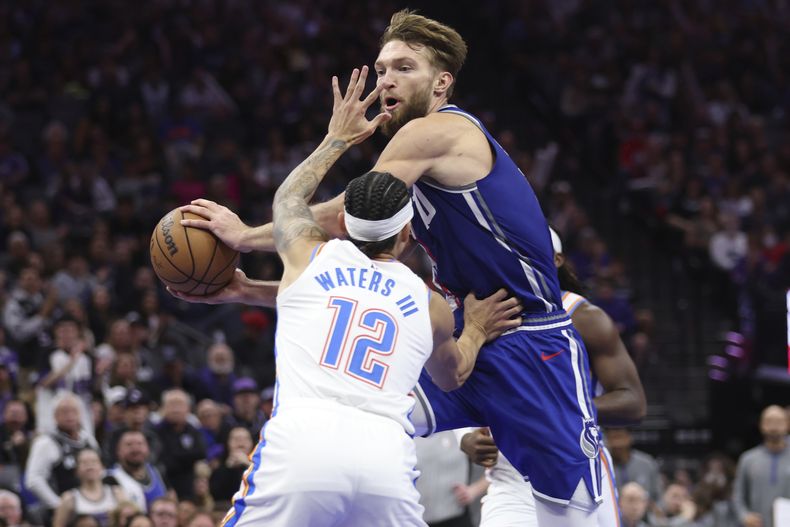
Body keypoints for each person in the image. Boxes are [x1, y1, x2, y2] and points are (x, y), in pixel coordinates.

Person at [180, 10, 603, 524]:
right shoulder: (411, 172)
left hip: (531, 342)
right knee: (370, 410)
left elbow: (344, 214)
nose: (386, 82)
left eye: (404, 68)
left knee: (575, 511)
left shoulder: (434, 132)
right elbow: (340, 281)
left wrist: (244, 237)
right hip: (462, 329)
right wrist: (247, 289)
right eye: (381, 70)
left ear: (442, 82)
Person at [192, 68, 522, 527]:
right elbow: (453, 376)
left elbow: (290, 198)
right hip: (383, 457)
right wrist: (479, 329)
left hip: (303, 443)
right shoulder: (428, 304)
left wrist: (337, 137)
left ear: (344, 225)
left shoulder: (309, 257)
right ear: (407, 234)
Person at [452, 228, 647, 526]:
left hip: (577, 469)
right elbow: (452, 380)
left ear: (555, 260)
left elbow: (633, 403)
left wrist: (562, 412)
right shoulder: (482, 312)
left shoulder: (584, 317)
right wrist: (463, 436)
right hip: (510, 479)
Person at [24, 393, 98, 514]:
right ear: (55, 416)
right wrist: (59, 505)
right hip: (62, 511)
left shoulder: (88, 440)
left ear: (80, 414)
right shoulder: (45, 443)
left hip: (91, 507)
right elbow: (33, 480)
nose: (70, 415)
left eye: (74, 411)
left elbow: (100, 472)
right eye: (64, 411)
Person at [732, 404, 790, 527]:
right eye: (769, 421)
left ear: (787, 424)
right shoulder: (748, 459)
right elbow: (737, 495)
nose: (774, 427)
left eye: (779, 421)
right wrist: (744, 516)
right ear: (761, 425)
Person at [52, 449, 126, 527]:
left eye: (94, 462)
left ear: (102, 467)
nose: (90, 466)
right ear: (76, 470)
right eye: (84, 463)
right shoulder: (69, 498)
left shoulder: (116, 493)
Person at [153, 389, 205, 500]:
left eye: (180, 405)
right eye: (172, 404)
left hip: (190, 485)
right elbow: (163, 461)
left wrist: (177, 456)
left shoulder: (193, 430)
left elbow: (201, 453)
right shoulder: (156, 431)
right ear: (163, 408)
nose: (176, 409)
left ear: (188, 409)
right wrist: (188, 458)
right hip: (166, 484)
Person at [107, 431, 167, 514]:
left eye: (140, 444)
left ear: (148, 449)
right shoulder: (110, 478)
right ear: (118, 451)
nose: (135, 449)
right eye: (129, 444)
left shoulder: (156, 471)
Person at [606, 428, 663, 503]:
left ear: (629, 438)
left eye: (620, 437)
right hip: (612, 513)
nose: (617, 443)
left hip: (645, 513)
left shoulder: (647, 463)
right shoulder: (602, 466)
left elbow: (659, 497)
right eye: (612, 438)